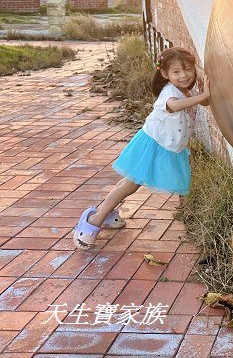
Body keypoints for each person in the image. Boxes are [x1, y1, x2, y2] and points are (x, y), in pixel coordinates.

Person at [73, 47, 210, 250]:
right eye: (176, 71)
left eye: (188, 69)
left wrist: (207, 90)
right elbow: (175, 106)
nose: (184, 75)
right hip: (152, 145)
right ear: (164, 74)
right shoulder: (169, 93)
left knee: (129, 184)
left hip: (164, 146)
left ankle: (106, 211)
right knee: (131, 185)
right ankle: (94, 220)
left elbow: (205, 101)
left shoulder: (185, 91)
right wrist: (203, 95)